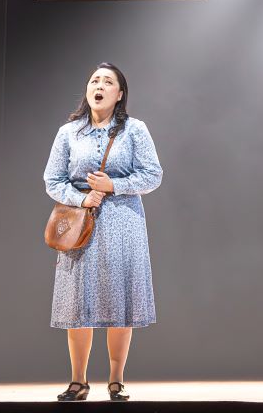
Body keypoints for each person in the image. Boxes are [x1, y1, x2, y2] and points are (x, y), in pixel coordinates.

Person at [45, 63, 163, 402]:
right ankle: (78, 381)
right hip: (80, 226)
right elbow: (52, 180)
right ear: (88, 90)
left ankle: (116, 380)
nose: (99, 85)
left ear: (119, 94)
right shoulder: (69, 132)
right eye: (95, 80)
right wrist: (82, 197)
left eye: (108, 81)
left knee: (120, 301)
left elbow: (153, 175)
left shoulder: (135, 130)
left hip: (124, 224)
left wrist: (115, 185)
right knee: (76, 303)